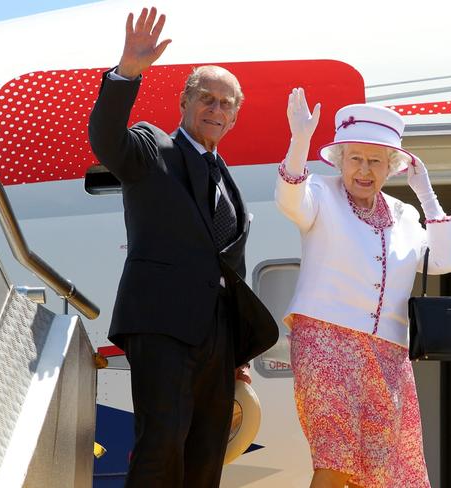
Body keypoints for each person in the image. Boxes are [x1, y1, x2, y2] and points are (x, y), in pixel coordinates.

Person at [88, 7, 278, 487]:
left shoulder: (229, 182)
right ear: (184, 102)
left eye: (226, 104)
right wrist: (126, 73)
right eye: (206, 99)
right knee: (161, 444)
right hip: (161, 323)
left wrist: (235, 354)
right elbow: (107, 140)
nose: (216, 110)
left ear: (235, 114)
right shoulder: (153, 148)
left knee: (207, 453)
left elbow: (226, 267)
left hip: (217, 337)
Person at [275, 88, 451, 488]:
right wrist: (299, 141)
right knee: (335, 457)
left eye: (375, 161)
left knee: (381, 472)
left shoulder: (405, 214)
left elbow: (445, 262)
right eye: (355, 158)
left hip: (388, 353)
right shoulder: (321, 193)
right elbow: (290, 201)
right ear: (340, 160)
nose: (364, 169)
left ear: (391, 167)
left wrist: (425, 193)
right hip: (326, 340)